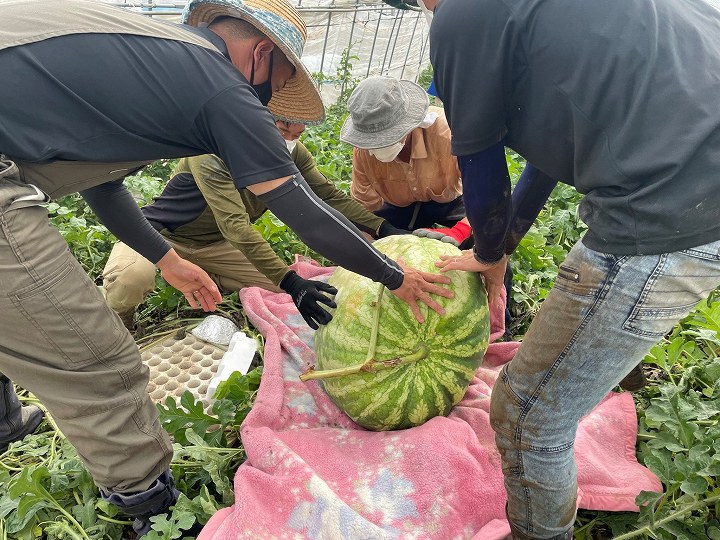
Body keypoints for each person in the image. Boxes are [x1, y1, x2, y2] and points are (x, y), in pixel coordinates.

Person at [0, 0, 451, 536]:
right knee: (97, 361)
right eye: (274, 86)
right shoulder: (219, 85)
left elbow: (102, 186)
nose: (267, 105)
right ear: (261, 54)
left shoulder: (154, 68)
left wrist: (170, 263)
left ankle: (4, 424)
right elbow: (302, 215)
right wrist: (395, 277)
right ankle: (152, 512)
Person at [406, 0, 720, 538]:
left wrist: (487, 253)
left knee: (526, 414)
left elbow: (478, 161)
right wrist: (504, 240)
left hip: (666, 213)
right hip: (699, 187)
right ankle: (616, 368)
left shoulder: (462, 13)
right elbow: (551, 155)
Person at [102, 119, 410, 330]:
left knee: (276, 293)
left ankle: (208, 276)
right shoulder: (211, 153)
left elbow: (326, 194)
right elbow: (235, 226)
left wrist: (382, 227)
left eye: (296, 133)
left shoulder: (292, 152)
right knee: (130, 278)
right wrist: (290, 279)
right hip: (157, 236)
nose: (289, 139)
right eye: (282, 128)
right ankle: (120, 322)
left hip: (213, 247)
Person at [341, 75, 515, 327]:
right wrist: (374, 250)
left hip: (449, 201)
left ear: (409, 125)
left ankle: (498, 321)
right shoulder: (363, 153)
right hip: (397, 207)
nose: (376, 149)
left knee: (491, 251)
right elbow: (360, 210)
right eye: (373, 143)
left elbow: (491, 198)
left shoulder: (449, 134)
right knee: (365, 251)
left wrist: (460, 230)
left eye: (387, 138)